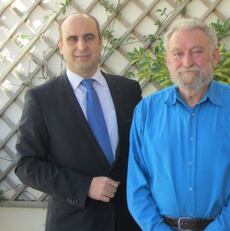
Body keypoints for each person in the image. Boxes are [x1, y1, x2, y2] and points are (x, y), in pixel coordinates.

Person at [127, 18, 230, 231]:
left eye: (197, 51)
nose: (187, 61)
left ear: (215, 56)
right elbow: (136, 184)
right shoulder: (146, 112)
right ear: (167, 60)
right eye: (178, 53)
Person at [15, 13, 142, 231]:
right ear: (60, 45)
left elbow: (143, 152)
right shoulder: (41, 99)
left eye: (89, 37)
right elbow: (27, 165)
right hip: (73, 223)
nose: (81, 46)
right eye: (72, 39)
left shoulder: (129, 90)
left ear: (100, 42)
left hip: (128, 221)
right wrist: (84, 186)